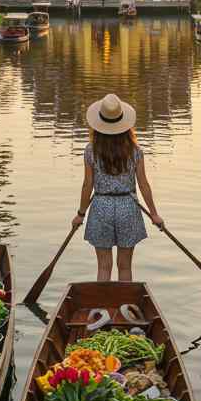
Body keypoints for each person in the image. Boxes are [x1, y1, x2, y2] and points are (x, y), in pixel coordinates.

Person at [73, 94, 163, 281]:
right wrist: (154, 214)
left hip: (100, 207)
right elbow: (143, 184)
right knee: (125, 267)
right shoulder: (135, 151)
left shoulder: (91, 150)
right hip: (128, 207)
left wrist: (80, 214)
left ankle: (103, 307)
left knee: (104, 267)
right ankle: (124, 308)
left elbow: (87, 185)